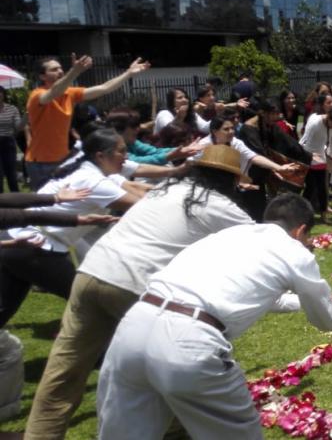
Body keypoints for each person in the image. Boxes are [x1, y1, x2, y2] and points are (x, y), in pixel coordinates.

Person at [24, 145, 254, 440]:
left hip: (91, 273)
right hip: (135, 287)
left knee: (63, 372)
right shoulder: (220, 206)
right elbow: (260, 242)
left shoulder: (165, 190)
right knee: (160, 368)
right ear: (233, 180)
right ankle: (177, 431)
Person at [95, 194, 332, 440]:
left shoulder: (228, 235)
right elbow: (325, 320)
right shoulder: (294, 250)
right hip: (188, 342)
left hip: (134, 325)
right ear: (300, 231)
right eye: (309, 237)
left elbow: (260, 295)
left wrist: (304, 303)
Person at [3, 129, 141, 327]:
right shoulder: (95, 181)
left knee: (5, 306)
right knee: (88, 302)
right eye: (122, 151)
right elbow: (142, 205)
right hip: (37, 248)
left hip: (19, 242)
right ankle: (85, 348)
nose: (126, 157)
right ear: (101, 156)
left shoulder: (82, 168)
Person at [26, 55, 150, 189]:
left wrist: (128, 73)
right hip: (41, 163)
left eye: (61, 68)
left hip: (64, 158)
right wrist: (75, 72)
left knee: (67, 200)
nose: (60, 71)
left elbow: (104, 88)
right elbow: (53, 93)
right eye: (54, 69)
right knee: (45, 204)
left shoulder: (69, 93)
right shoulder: (37, 95)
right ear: (42, 76)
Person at [239, 98, 312, 220]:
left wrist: (306, 154)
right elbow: (258, 153)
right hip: (249, 172)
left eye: (277, 113)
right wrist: (275, 169)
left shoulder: (269, 125)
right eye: (273, 114)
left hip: (264, 169)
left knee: (262, 205)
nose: (276, 117)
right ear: (263, 113)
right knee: (254, 207)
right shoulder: (248, 129)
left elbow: (287, 141)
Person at [196, 116, 295, 183]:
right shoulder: (203, 145)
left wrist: (279, 168)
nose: (231, 132)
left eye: (232, 128)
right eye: (226, 129)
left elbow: (253, 157)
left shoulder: (235, 143)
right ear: (214, 131)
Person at [299, 107, 332, 221]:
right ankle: (302, 213)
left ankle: (323, 214)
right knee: (309, 187)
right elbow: (304, 142)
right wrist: (309, 157)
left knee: (323, 188)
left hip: (321, 158)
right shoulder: (315, 123)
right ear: (329, 118)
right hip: (308, 156)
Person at [0, 86, 21, 192]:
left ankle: (16, 199)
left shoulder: (12, 109)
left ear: (3, 95)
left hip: (8, 142)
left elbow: (18, 126)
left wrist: (24, 121)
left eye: (0, 92)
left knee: (11, 173)